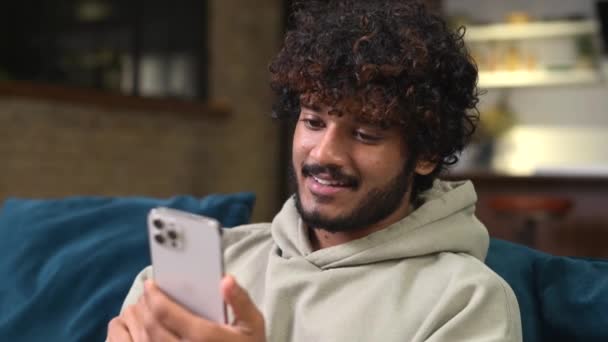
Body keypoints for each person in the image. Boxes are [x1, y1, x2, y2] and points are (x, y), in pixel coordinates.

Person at [107, 0, 523, 341]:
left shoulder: (464, 301)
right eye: (313, 121)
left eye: (364, 133)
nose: (324, 154)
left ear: (426, 154)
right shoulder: (216, 261)